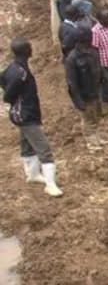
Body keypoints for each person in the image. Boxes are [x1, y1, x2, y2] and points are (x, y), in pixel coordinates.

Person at [0, 38, 63, 197]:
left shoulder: (14, 67)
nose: (32, 49)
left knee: (27, 144)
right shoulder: (20, 73)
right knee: (44, 149)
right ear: (26, 51)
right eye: (29, 47)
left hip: (21, 113)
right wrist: (14, 98)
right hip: (25, 115)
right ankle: (50, 184)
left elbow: (2, 79)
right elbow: (7, 96)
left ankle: (33, 174)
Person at [64, 27, 103, 150]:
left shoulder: (93, 52)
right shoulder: (72, 59)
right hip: (84, 94)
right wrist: (78, 100)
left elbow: (98, 69)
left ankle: (97, 138)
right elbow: (72, 82)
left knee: (96, 116)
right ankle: (91, 142)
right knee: (87, 119)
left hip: (95, 91)